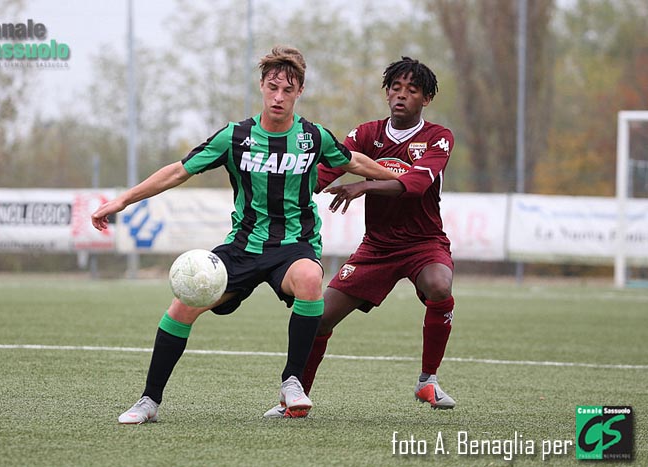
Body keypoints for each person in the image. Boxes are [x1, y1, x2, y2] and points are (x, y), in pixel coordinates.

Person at [91, 46, 399, 423]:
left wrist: (403, 179)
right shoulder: (234, 136)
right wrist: (122, 200)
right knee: (183, 305)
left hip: (294, 246)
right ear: (262, 86)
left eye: (288, 90)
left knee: (309, 278)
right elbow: (178, 171)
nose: (279, 97)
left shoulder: (313, 137)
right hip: (242, 247)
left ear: (300, 91)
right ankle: (148, 401)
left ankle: (292, 383)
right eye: (273, 88)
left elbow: (353, 162)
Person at [263, 57, 456, 418]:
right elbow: (327, 169)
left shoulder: (438, 137)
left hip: (424, 243)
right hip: (377, 248)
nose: (401, 95)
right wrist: (286, 188)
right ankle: (295, 400)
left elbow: (417, 183)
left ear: (426, 98)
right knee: (320, 317)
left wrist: (363, 186)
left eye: (412, 90)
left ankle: (427, 380)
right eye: (396, 88)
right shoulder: (367, 134)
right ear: (387, 93)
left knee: (439, 285)